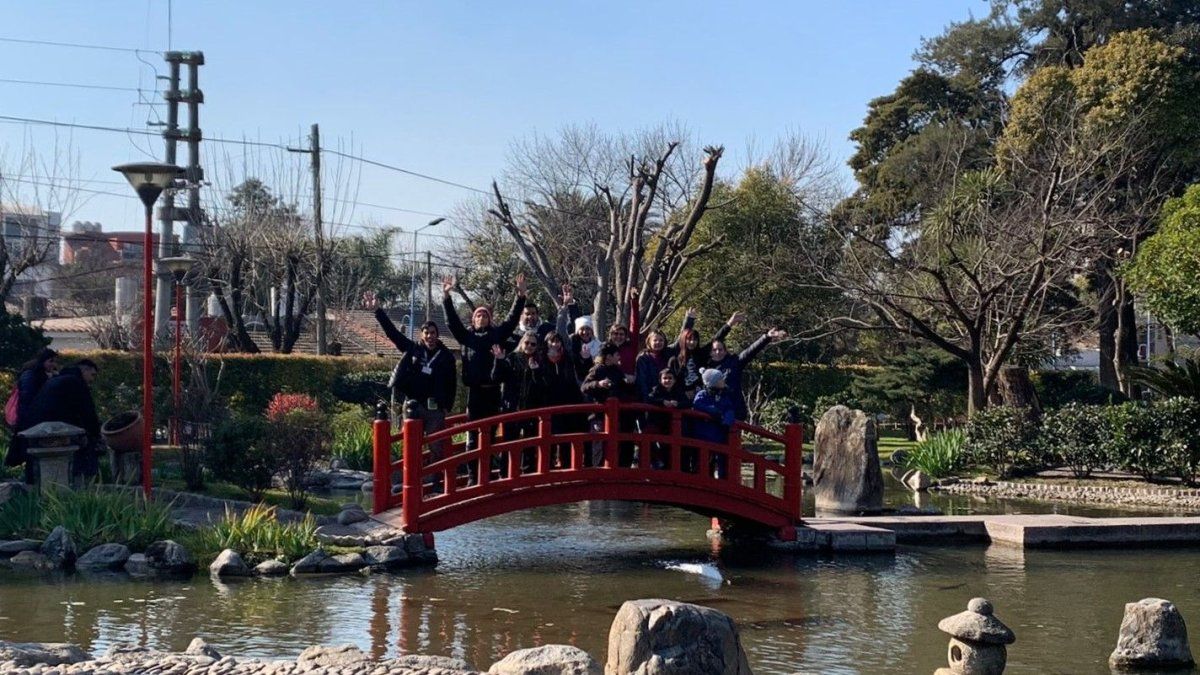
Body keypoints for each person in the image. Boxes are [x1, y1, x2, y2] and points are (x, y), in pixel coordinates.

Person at [442, 273, 527, 464]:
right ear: (473, 319)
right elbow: (452, 322)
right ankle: (473, 475)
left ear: (489, 319)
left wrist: (520, 296)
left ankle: (487, 473)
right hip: (475, 393)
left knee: (490, 434)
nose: (481, 317)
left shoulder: (496, 335)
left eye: (485, 315)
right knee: (473, 435)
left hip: (493, 392)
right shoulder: (466, 337)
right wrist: (447, 298)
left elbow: (512, 320)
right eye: (478, 315)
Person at [373, 311, 457, 491]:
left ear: (437, 335)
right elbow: (392, 334)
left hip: (434, 408)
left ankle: (436, 483)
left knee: (436, 446)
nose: (430, 337)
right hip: (413, 406)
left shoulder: (446, 356)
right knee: (411, 446)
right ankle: (411, 482)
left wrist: (446, 407)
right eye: (426, 333)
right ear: (422, 335)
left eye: (433, 333)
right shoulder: (413, 350)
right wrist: (379, 312)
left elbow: (452, 383)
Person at [25, 359, 102, 480]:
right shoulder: (76, 382)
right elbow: (87, 412)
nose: (92, 380)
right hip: (57, 428)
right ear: (84, 370)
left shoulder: (56, 380)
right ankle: (82, 480)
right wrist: (95, 434)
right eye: (92, 375)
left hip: (36, 426)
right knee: (83, 451)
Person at [706, 327, 789, 421]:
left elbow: (750, 351)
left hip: (734, 411)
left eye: (720, 349)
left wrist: (766, 337)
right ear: (710, 352)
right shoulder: (705, 367)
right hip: (712, 413)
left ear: (725, 351)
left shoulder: (734, 363)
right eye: (714, 350)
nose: (717, 352)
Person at [492, 333, 544, 474]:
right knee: (509, 443)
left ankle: (528, 474)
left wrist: (536, 371)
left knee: (530, 444)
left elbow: (542, 387)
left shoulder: (539, 361)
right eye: (527, 343)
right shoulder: (512, 358)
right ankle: (505, 474)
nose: (529, 346)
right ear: (522, 343)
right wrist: (500, 361)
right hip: (512, 408)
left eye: (533, 344)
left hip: (530, 409)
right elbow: (496, 378)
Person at [4, 347, 59, 481]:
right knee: (31, 453)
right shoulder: (31, 375)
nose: (53, 365)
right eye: (51, 361)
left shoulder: (38, 375)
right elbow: (28, 399)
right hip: (30, 420)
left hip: (32, 419)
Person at [580, 342, 634, 467]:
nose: (619, 357)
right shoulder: (598, 369)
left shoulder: (617, 371)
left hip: (615, 415)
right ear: (609, 356)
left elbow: (623, 390)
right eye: (616, 355)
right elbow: (584, 387)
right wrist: (598, 384)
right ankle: (594, 470)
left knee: (613, 444)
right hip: (598, 415)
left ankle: (612, 469)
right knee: (598, 444)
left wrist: (629, 383)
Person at [668, 311, 743, 400]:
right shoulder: (674, 359)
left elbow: (716, 339)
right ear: (684, 340)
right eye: (689, 339)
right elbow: (670, 380)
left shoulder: (701, 354)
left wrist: (730, 323)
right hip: (680, 399)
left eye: (695, 339)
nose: (692, 342)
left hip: (700, 398)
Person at [542, 330, 584, 468]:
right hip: (548, 405)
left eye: (557, 341)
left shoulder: (568, 358)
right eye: (552, 341)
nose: (555, 344)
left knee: (567, 438)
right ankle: (548, 467)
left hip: (568, 404)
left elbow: (577, 376)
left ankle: (567, 466)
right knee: (549, 439)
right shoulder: (541, 359)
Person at [692, 368, 737, 479]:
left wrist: (727, 419)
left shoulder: (723, 395)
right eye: (720, 379)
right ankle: (703, 480)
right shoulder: (702, 394)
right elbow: (697, 405)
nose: (723, 381)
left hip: (719, 434)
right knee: (704, 460)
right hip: (704, 434)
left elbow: (729, 408)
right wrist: (712, 410)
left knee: (722, 459)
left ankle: (722, 481)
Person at [644, 368, 690, 469]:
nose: (667, 381)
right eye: (665, 378)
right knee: (650, 440)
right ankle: (655, 463)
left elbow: (687, 403)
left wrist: (677, 404)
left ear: (674, 380)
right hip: (657, 423)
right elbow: (648, 399)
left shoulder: (678, 391)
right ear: (660, 380)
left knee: (673, 446)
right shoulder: (656, 390)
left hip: (672, 426)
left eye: (670, 378)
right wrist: (662, 402)